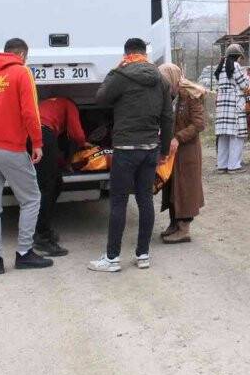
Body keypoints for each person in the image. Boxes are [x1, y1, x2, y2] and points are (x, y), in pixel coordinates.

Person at [89, 38, 174, 273]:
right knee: (145, 199)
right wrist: (164, 150)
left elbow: (100, 98)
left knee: (119, 201)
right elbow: (168, 118)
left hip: (126, 149)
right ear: (145, 53)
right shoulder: (161, 79)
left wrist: (114, 71)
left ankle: (112, 258)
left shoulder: (121, 75)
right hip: (150, 148)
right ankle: (143, 254)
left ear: (126, 54)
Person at [0, 37, 53, 274]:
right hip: (10, 148)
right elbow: (30, 112)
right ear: (22, 55)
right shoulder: (21, 72)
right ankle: (24, 253)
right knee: (31, 199)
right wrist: (37, 143)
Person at [156, 63, 207, 244]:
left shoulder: (191, 95)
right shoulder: (170, 95)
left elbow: (199, 124)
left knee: (185, 189)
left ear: (172, 78)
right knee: (171, 187)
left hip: (187, 150)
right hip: (172, 151)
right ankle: (174, 224)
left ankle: (184, 229)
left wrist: (178, 137)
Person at [32, 96, 88, 257]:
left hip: (30, 133)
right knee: (48, 187)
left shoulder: (48, 104)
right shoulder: (70, 104)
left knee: (56, 183)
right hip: (42, 133)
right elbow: (77, 134)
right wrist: (84, 144)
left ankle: (43, 229)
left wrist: (63, 163)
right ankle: (41, 237)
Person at [214, 44, 250, 173]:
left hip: (222, 106)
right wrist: (247, 76)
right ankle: (234, 166)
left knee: (223, 136)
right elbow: (245, 85)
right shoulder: (236, 66)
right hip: (235, 105)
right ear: (238, 56)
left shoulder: (220, 66)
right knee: (237, 136)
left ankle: (222, 165)